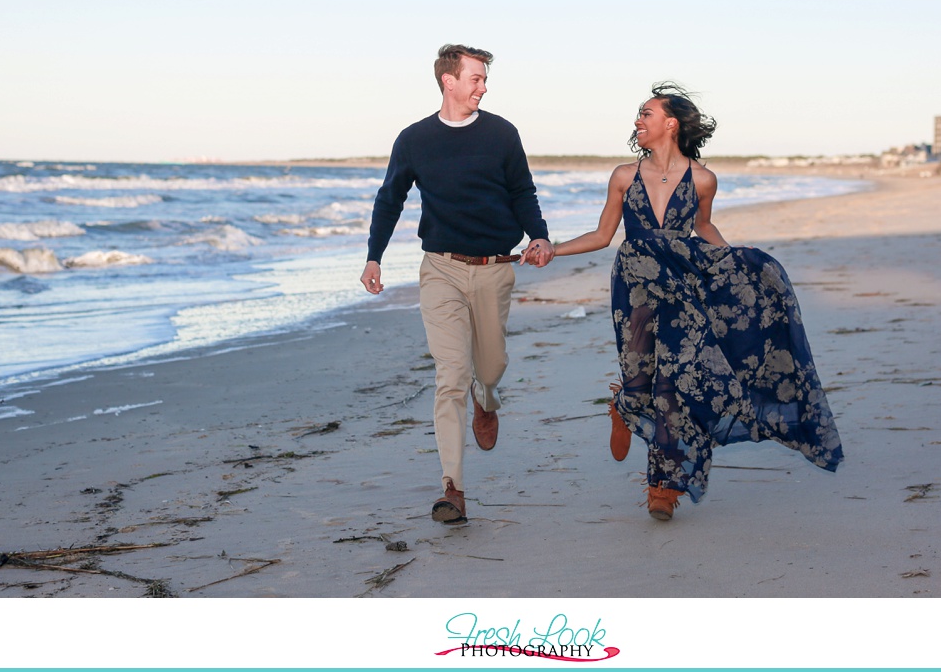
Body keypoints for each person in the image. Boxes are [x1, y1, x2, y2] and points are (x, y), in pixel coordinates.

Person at [550, 83, 842, 520]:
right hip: (634, 282)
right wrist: (552, 250)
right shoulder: (623, 176)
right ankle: (624, 405)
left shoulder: (703, 180)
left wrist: (735, 269)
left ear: (670, 122)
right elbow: (602, 235)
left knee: (676, 384)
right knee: (640, 377)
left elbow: (704, 228)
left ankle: (662, 487)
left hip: (682, 283)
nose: (637, 120)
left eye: (646, 113)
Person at [361, 43, 554, 526]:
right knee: (449, 376)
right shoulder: (414, 139)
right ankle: (453, 488)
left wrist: (540, 234)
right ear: (449, 80)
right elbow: (390, 200)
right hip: (440, 268)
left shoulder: (502, 134)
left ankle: (486, 399)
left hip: (494, 268)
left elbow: (521, 190)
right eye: (476, 78)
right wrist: (373, 256)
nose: (483, 87)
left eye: (484, 79)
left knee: (488, 369)